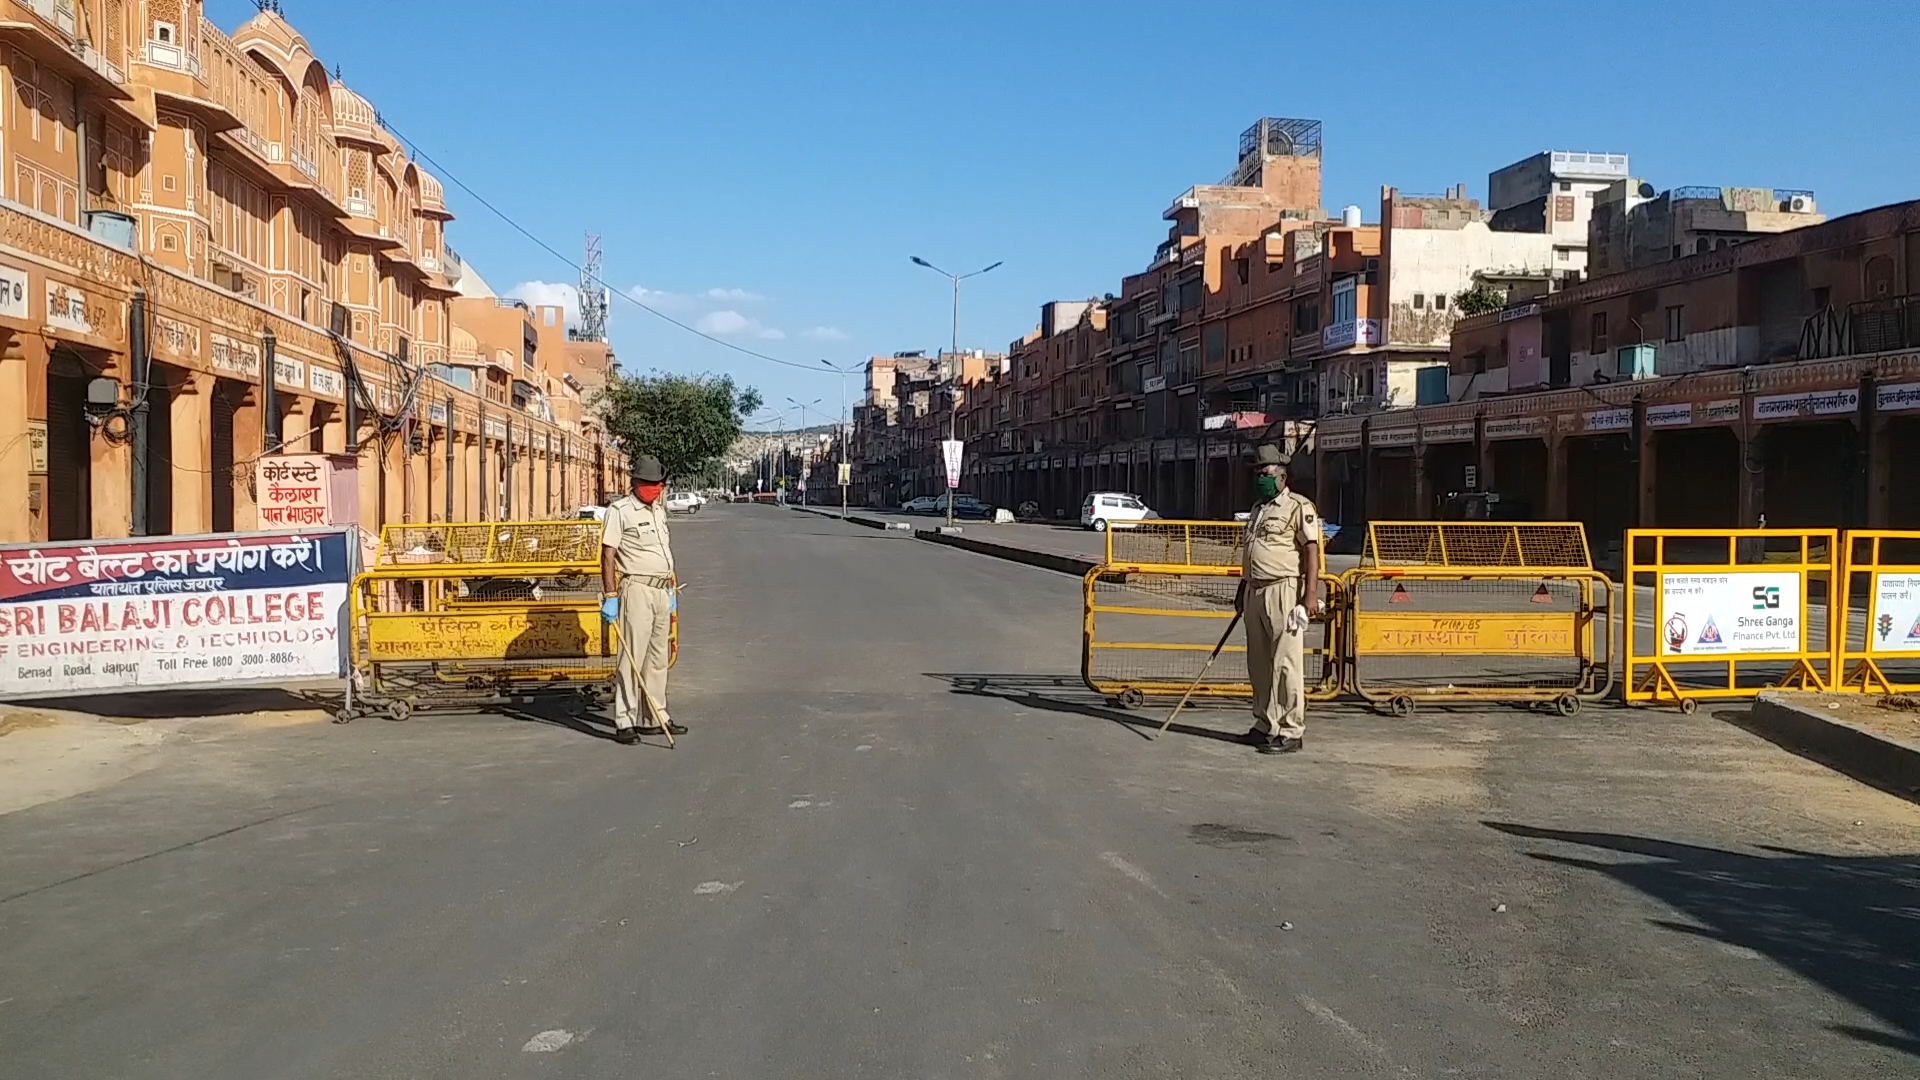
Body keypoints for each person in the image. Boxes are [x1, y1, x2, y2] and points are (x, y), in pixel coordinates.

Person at [1236, 444, 1322, 755]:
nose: (1261, 477)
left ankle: (1291, 729)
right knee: (1258, 663)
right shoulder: (1259, 509)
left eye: (1266, 473)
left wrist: (1310, 594)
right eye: (1258, 472)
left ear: (1282, 477)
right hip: (1254, 590)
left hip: (1283, 590)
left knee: (1286, 663)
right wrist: (1241, 591)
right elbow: (1251, 552)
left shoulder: (1299, 507)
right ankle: (1265, 724)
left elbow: (1311, 550)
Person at [600, 456, 683, 745]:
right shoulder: (619, 511)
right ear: (634, 483)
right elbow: (608, 554)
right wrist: (610, 596)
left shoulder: (659, 511)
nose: (653, 488)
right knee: (631, 658)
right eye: (648, 483)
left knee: (658, 658)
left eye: (657, 484)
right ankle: (625, 719)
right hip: (636, 589)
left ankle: (654, 715)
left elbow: (663, 552)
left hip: (662, 590)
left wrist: (670, 591)